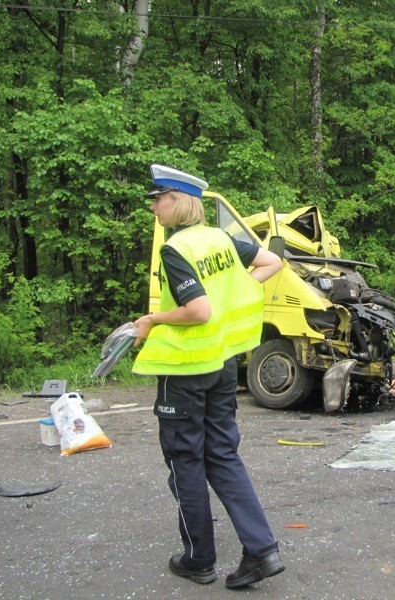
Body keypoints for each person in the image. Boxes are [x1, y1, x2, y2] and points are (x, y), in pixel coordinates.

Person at [131, 164, 285, 590]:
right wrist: (239, 291)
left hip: (184, 371)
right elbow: (271, 262)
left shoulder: (176, 249)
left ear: (176, 201)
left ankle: (199, 560)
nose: (153, 208)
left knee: (186, 464)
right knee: (223, 456)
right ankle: (262, 550)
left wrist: (151, 320)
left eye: (157, 199)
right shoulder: (220, 239)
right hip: (220, 368)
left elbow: (197, 310)